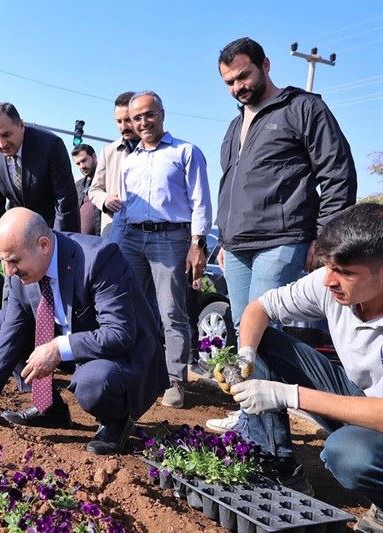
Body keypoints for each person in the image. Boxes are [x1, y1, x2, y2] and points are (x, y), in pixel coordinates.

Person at [209, 36, 357, 432]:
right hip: (237, 247)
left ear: (266, 65)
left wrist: (324, 239)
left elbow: (337, 174)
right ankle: (251, 419)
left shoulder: (303, 108)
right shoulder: (234, 125)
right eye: (229, 82)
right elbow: (231, 187)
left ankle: (270, 447)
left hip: (282, 240)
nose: (238, 87)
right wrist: (222, 239)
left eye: (244, 76)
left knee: (264, 336)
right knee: (245, 337)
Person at [215, 204, 382, 530]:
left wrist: (287, 395)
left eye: (345, 272)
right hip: (359, 396)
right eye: (327, 266)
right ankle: (278, 465)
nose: (329, 281)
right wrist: (246, 356)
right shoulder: (328, 282)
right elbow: (259, 308)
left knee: (348, 453)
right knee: (262, 339)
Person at [0, 208, 168, 455]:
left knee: (92, 382)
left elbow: (119, 334)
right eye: (3, 260)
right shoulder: (19, 273)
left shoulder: (99, 259)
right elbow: (8, 339)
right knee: (2, 325)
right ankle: (49, 408)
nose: (8, 270)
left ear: (43, 245)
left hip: (121, 356)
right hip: (76, 343)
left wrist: (57, 348)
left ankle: (116, 420)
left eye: (14, 261)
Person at [118, 91, 212, 409]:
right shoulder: (130, 161)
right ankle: (143, 372)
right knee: (132, 308)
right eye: (136, 117)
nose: (143, 122)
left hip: (170, 239)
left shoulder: (186, 152)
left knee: (172, 312)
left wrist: (197, 243)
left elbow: (201, 201)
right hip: (132, 239)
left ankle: (175, 381)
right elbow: (125, 205)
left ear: (162, 114)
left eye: (149, 114)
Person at [0, 102, 80, 233]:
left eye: (6, 135)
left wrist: (60, 243)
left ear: (21, 126)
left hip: (52, 226)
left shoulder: (51, 146)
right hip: (18, 231)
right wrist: (0, 241)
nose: (2, 144)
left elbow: (64, 200)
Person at [88, 91, 139, 240]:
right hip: (115, 231)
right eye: (119, 121)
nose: (123, 127)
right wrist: (105, 200)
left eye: (127, 120)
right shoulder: (108, 151)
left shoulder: (157, 150)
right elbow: (94, 190)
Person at [71, 144, 101, 236]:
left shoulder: (107, 180)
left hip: (101, 240)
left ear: (94, 157)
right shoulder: (78, 185)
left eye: (84, 160)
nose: (82, 166)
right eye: (78, 164)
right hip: (81, 241)